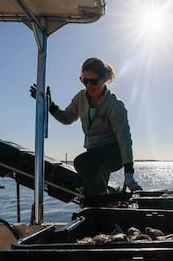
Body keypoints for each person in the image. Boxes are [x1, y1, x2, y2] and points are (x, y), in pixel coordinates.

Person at [30, 57, 142, 196]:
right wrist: (50, 105)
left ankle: (104, 197)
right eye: (85, 81)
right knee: (90, 194)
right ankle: (102, 205)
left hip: (114, 154)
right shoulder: (80, 98)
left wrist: (129, 175)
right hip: (93, 155)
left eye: (93, 81)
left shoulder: (115, 106)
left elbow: (124, 140)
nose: (89, 85)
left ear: (104, 79)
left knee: (81, 162)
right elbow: (67, 118)